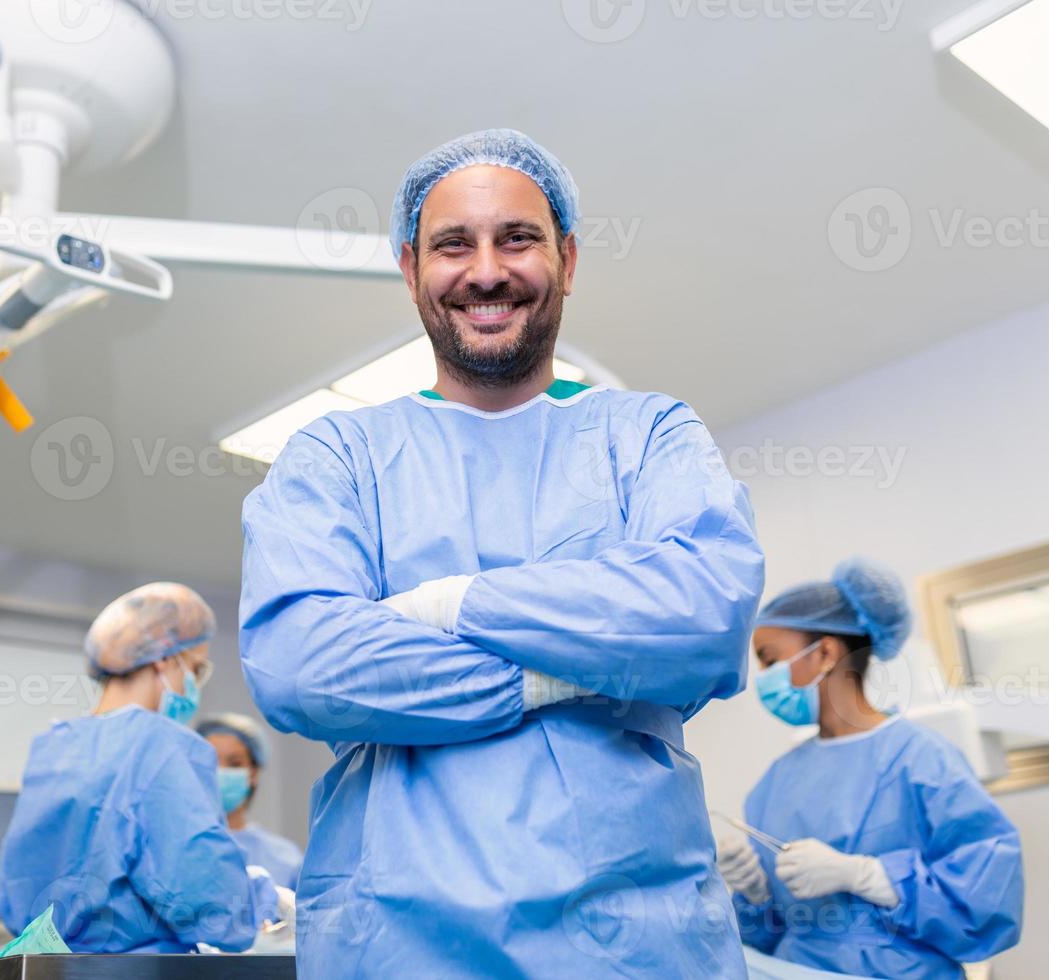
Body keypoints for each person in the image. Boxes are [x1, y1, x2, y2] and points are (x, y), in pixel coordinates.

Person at [239, 129, 765, 977]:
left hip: (636, 944)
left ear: (568, 258)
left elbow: (701, 620)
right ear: (411, 267)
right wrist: (582, 666)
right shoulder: (337, 457)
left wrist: (440, 608)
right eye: (455, 243)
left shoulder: (647, 435)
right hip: (400, 942)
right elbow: (302, 666)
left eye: (517, 238)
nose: (486, 270)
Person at [719, 559, 1024, 978]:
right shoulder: (777, 780)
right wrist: (754, 893)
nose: (764, 679)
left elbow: (986, 901)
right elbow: (769, 933)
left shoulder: (922, 759)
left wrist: (866, 875)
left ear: (825, 652)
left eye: (771, 661)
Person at [0, 583, 278, 953]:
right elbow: (211, 904)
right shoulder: (157, 744)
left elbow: (21, 890)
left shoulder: (54, 748)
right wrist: (265, 901)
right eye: (194, 669)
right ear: (165, 658)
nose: (192, 684)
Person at [197, 712, 304, 889]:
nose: (220, 771)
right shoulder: (181, 848)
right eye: (211, 762)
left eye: (234, 764)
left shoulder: (284, 858)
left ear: (253, 773)